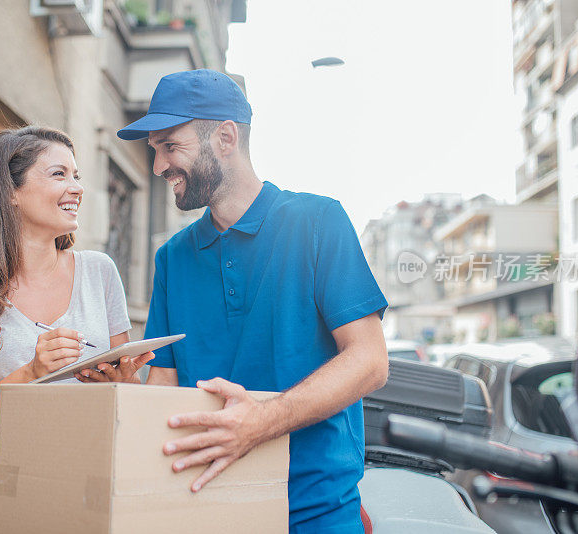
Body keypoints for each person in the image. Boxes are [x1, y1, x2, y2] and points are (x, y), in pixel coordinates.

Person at [115, 70, 390, 533]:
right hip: (202, 507)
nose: (159, 166)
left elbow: (370, 361)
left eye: (169, 146)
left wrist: (260, 422)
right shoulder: (173, 259)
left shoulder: (319, 221)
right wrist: (121, 394)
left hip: (314, 510)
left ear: (225, 136)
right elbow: (165, 383)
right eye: (154, 151)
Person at [0, 126, 152, 534]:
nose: (77, 187)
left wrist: (122, 381)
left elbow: (127, 400)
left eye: (77, 175)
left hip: (90, 506)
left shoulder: (99, 273)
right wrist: (30, 374)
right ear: (9, 191)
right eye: (59, 174)